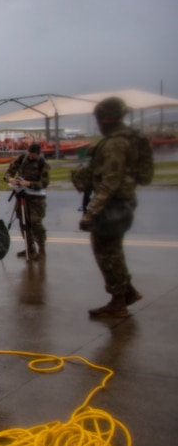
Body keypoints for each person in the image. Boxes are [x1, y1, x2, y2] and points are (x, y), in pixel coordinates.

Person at [78, 97, 144, 318]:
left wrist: (91, 212)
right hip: (119, 202)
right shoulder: (126, 139)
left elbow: (109, 182)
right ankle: (126, 292)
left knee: (107, 254)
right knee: (113, 252)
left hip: (112, 205)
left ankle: (119, 302)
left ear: (107, 118)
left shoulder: (116, 143)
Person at [4, 143, 51, 260]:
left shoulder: (42, 164)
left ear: (38, 154)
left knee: (36, 223)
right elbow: (7, 173)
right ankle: (29, 249)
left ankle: (41, 249)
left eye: (33, 155)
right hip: (22, 196)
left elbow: (44, 183)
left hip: (36, 198)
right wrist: (10, 179)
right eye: (29, 154)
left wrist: (29, 184)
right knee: (24, 223)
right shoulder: (21, 159)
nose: (30, 157)